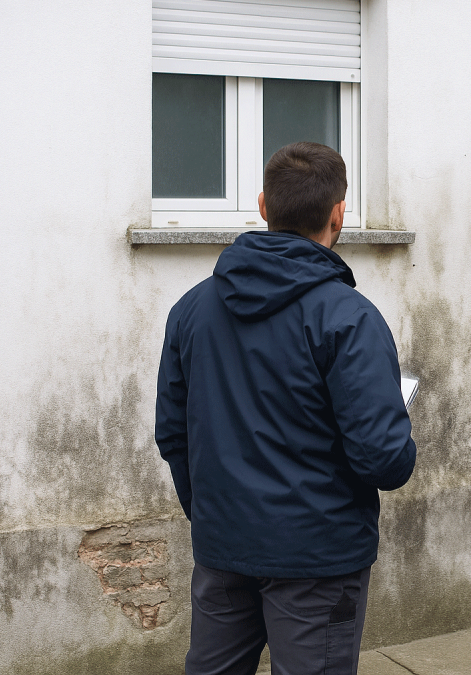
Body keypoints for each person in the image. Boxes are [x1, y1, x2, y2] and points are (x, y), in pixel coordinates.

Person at [155, 141, 417, 675]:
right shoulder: (349, 319)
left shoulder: (191, 309)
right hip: (318, 559)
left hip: (223, 547)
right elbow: (384, 461)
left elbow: (173, 434)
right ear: (339, 214)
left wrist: (213, 515)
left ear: (262, 205)